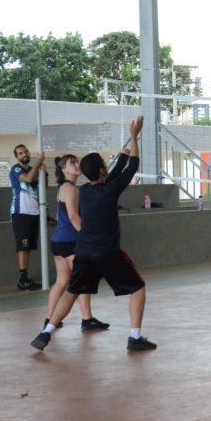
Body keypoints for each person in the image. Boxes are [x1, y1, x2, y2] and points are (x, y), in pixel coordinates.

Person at [32, 116, 156, 352]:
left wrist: (127, 147)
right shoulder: (109, 190)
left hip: (84, 251)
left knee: (72, 290)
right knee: (138, 288)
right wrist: (133, 136)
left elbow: (116, 169)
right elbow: (132, 167)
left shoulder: (84, 190)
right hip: (107, 252)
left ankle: (45, 333)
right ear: (101, 170)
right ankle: (134, 337)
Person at [44, 154, 109, 332]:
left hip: (58, 241)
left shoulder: (63, 188)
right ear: (64, 170)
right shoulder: (70, 188)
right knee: (84, 277)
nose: (76, 165)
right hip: (70, 241)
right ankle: (87, 319)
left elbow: (61, 216)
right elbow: (73, 217)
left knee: (62, 280)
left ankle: (50, 319)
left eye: (76, 162)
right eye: (72, 163)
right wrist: (89, 236)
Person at [10, 144, 45, 291]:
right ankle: (22, 279)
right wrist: (38, 162)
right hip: (21, 213)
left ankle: (26, 277)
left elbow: (43, 188)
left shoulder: (34, 170)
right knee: (22, 248)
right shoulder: (16, 169)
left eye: (25, 152)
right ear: (17, 157)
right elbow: (28, 179)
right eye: (20, 153)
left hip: (34, 213)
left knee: (28, 248)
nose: (24, 154)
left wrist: (44, 173)